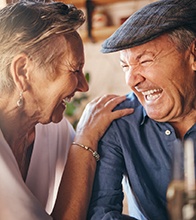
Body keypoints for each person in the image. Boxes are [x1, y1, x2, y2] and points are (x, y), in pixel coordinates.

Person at [0, 1, 134, 219]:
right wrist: (86, 136)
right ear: (23, 72)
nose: (84, 86)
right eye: (75, 70)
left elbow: (90, 201)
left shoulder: (54, 130)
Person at [87, 0, 196, 219]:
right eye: (125, 66)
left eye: (145, 60)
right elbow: (102, 214)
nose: (131, 80)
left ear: (193, 55)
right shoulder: (119, 122)